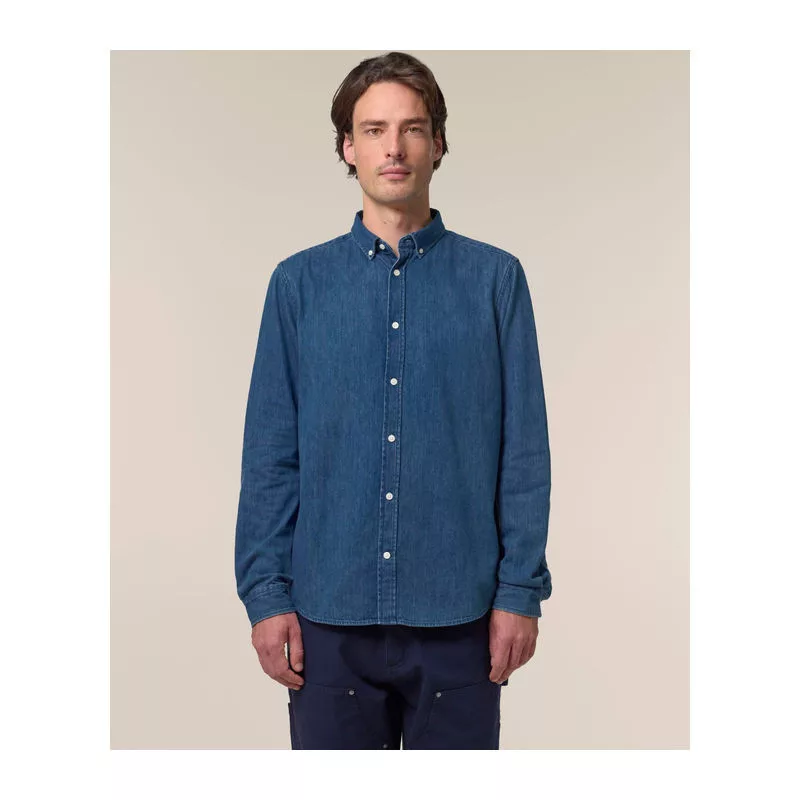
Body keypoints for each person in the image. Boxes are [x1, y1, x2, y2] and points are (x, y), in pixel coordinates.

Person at [234, 51, 553, 750]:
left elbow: (524, 453)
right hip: (327, 617)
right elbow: (270, 454)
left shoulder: (496, 281)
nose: (394, 148)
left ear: (438, 142)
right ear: (348, 147)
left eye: (412, 128)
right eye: (374, 130)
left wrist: (519, 593)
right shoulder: (298, 285)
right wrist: (266, 596)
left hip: (461, 618)